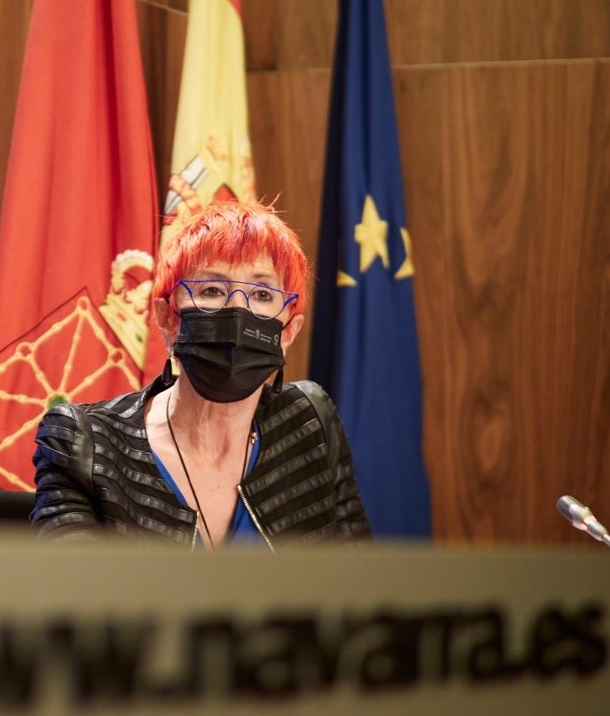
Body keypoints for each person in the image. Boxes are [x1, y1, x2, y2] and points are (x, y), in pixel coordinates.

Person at [32, 198, 371, 549]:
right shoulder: (83, 443)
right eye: (211, 290)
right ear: (167, 317)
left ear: (289, 331)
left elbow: (358, 575)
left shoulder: (310, 421)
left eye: (261, 293)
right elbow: (70, 582)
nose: (238, 311)